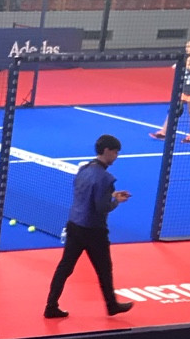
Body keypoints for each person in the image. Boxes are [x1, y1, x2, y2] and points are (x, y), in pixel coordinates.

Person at [44, 135, 133, 319]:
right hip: (94, 231)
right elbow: (102, 208)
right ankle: (111, 305)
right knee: (104, 269)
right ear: (107, 151)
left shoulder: (83, 169)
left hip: (74, 225)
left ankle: (51, 305)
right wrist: (116, 201)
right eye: (115, 152)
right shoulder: (106, 178)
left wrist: (111, 195)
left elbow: (87, 194)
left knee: (64, 268)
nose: (116, 156)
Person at [151, 39, 190, 144]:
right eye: (186, 46)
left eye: (189, 46)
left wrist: (183, 65)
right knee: (173, 108)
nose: (187, 48)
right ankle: (164, 132)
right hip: (183, 87)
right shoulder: (188, 58)